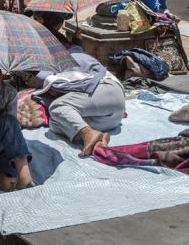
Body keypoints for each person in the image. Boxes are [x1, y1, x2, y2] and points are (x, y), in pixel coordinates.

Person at [32, 12, 126, 156]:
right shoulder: (77, 51)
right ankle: (97, 137)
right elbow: (77, 46)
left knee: (57, 107)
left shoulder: (62, 60)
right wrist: (77, 40)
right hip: (113, 116)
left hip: (105, 90)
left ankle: (87, 132)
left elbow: (53, 90)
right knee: (56, 123)